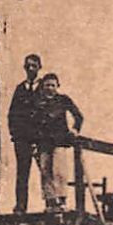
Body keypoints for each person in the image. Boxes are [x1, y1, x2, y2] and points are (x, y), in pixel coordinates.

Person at [28, 73, 82, 210]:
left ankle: (62, 201)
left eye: (53, 85)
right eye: (47, 85)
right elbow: (33, 124)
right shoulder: (37, 103)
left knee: (59, 172)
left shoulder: (63, 100)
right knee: (45, 172)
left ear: (57, 86)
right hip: (43, 143)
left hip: (59, 141)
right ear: (42, 87)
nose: (50, 88)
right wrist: (34, 143)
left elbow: (78, 116)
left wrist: (75, 129)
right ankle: (50, 202)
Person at [6, 53, 42, 213]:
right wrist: (15, 134)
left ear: (39, 68)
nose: (31, 69)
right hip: (22, 139)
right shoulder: (20, 89)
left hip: (41, 139)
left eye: (34, 66)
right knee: (22, 173)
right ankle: (21, 206)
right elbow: (12, 113)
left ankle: (51, 204)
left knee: (46, 172)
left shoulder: (44, 88)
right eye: (28, 66)